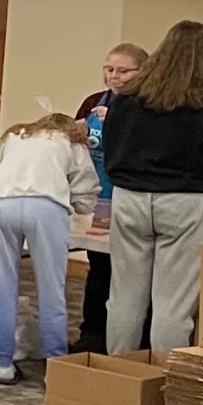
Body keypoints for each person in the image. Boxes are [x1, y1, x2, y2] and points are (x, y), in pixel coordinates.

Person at [101, 20, 203, 353]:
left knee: (124, 297)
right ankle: (166, 386)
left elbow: (110, 147)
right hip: (187, 203)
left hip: (129, 198)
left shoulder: (128, 97)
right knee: (173, 304)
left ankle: (120, 377)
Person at [0, 112, 100, 384]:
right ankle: (54, 367)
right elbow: (86, 187)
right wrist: (81, 208)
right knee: (51, 290)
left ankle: (4, 365)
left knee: (1, 288)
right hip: (45, 208)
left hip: (0, 206)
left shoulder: (16, 136)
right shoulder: (72, 142)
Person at [73, 43, 147, 353]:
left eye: (122, 71)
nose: (113, 76)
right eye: (109, 69)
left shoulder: (147, 107)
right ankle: (92, 333)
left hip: (131, 199)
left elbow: (144, 151)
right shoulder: (93, 101)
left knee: (129, 272)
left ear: (141, 73)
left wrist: (114, 124)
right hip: (97, 195)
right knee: (99, 267)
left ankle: (132, 342)